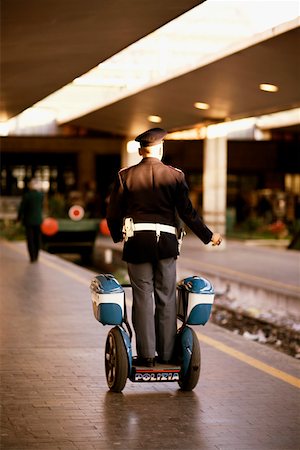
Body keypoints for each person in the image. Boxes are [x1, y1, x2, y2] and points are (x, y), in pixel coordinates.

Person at [106, 128, 222, 367]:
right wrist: (209, 236)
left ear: (140, 151)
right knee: (166, 297)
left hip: (137, 244)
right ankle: (168, 354)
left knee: (142, 298)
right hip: (167, 245)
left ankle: (146, 355)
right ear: (160, 150)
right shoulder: (175, 176)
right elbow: (187, 212)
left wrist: (118, 236)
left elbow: (113, 212)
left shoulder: (125, 175)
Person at [18, 178, 44, 263]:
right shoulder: (41, 195)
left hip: (28, 220)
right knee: (37, 238)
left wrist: (19, 218)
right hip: (38, 220)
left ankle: (32, 257)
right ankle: (36, 256)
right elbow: (41, 207)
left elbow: (22, 208)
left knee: (30, 239)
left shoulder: (27, 196)